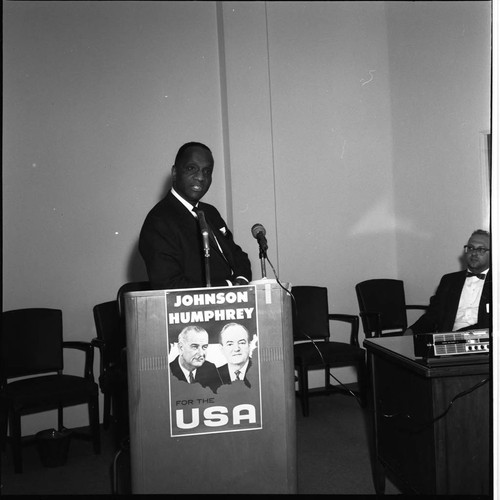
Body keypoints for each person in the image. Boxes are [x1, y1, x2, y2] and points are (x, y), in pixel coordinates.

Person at [139, 141, 252, 289]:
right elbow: (169, 285)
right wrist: (229, 285)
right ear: (174, 172)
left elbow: (238, 256)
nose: (200, 177)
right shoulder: (159, 221)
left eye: (207, 171)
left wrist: (242, 279)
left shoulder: (210, 212)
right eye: (192, 168)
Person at [405, 229, 491, 335]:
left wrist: (460, 335)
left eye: (481, 249)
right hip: (447, 341)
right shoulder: (449, 281)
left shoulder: (496, 282)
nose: (474, 253)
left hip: (485, 342)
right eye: (470, 248)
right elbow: (433, 315)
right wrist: (412, 330)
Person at [169, 325, 222, 393]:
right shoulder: (168, 372)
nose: (201, 353)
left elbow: (220, 398)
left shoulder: (210, 369)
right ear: (181, 348)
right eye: (195, 347)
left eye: (204, 347)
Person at [217, 322, 256, 388]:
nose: (236, 349)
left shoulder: (262, 371)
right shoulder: (214, 375)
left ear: (249, 346)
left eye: (241, 343)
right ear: (222, 349)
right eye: (230, 344)